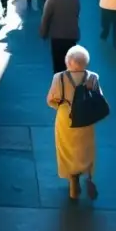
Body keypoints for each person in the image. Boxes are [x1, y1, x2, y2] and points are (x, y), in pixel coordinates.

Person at [47, 45, 101, 201]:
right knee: (85, 148)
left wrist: (61, 106)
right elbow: (98, 98)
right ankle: (87, 175)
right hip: (85, 118)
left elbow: (50, 100)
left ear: (68, 62)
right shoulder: (93, 77)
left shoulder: (59, 78)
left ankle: (73, 180)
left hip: (66, 117)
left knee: (67, 149)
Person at [39, 0, 80, 74]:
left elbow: (46, 17)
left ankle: (59, 84)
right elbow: (77, 13)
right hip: (72, 35)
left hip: (57, 37)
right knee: (70, 63)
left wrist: (43, 33)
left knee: (58, 65)